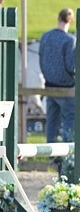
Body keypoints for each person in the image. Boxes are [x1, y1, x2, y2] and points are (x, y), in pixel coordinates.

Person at [39, 8, 76, 143]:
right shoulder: (70, 40)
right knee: (70, 120)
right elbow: (71, 66)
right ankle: (69, 152)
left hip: (49, 84)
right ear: (70, 21)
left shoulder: (45, 36)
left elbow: (41, 58)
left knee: (52, 121)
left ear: (59, 18)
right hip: (66, 86)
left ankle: (51, 151)